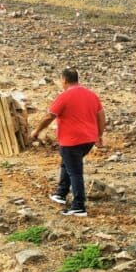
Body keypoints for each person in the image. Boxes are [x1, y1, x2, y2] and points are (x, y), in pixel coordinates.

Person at [29, 68, 105, 217]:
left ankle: (78, 206)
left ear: (63, 80)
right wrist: (100, 135)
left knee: (75, 171)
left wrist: (36, 131)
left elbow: (49, 116)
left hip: (71, 141)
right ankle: (61, 194)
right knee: (68, 163)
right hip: (88, 140)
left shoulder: (64, 96)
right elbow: (101, 116)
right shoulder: (91, 95)